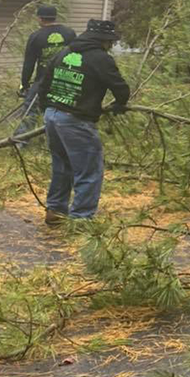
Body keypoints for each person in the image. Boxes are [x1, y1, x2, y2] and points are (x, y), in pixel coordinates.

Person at [38, 19, 129, 225]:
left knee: (62, 166)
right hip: (76, 120)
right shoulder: (100, 58)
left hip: (53, 115)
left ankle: (55, 211)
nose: (111, 46)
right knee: (88, 171)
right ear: (104, 40)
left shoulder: (63, 52)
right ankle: (81, 221)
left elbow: (44, 83)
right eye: (110, 42)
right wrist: (120, 104)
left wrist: (48, 108)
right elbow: (120, 87)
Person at [13, 5, 77, 141]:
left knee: (31, 110)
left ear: (40, 18)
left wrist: (24, 84)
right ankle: (60, 138)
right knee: (62, 111)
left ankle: (19, 142)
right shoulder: (70, 33)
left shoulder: (36, 36)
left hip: (43, 80)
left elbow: (29, 63)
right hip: (66, 80)